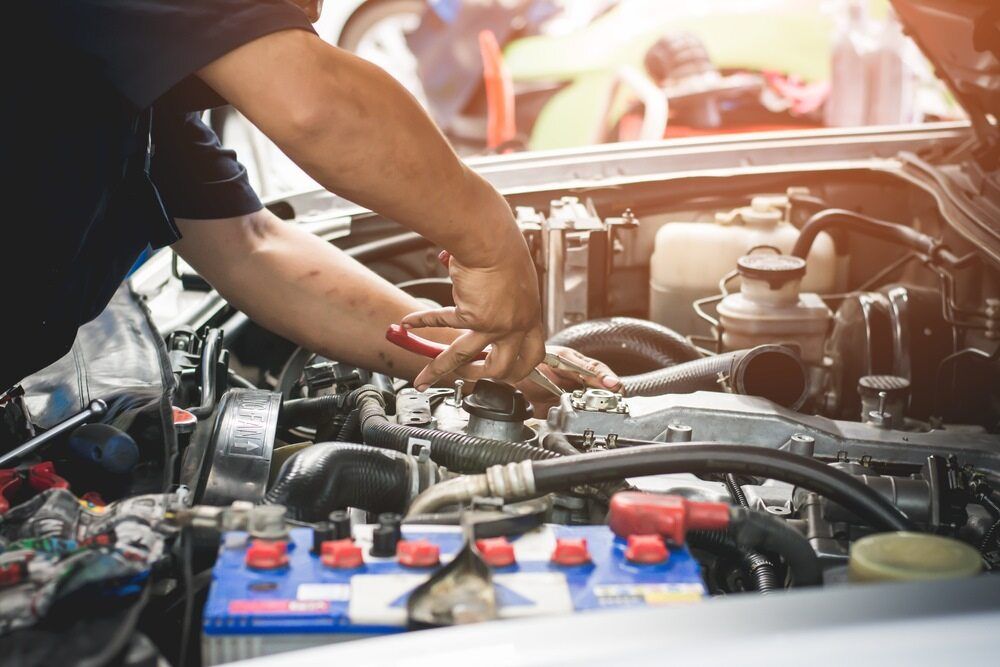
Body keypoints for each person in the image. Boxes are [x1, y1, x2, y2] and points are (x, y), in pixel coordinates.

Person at [4, 0, 620, 402]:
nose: (314, 11)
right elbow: (317, 106)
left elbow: (252, 246)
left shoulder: (126, 83)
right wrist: (491, 242)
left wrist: (477, 359)